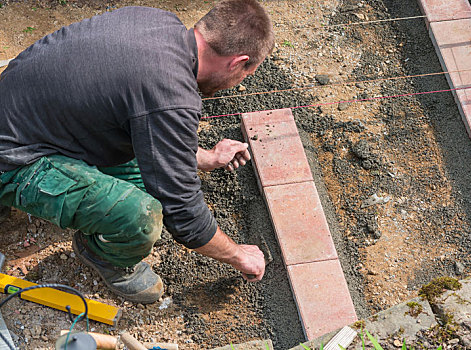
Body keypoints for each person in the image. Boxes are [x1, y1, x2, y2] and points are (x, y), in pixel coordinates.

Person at [0, 0, 274, 304]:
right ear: (238, 62)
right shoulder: (170, 94)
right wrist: (239, 255)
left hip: (22, 111)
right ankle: (103, 255)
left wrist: (205, 158)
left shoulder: (153, 20)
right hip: (13, 158)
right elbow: (183, 215)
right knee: (139, 216)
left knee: (144, 169)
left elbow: (148, 120)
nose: (236, 84)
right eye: (244, 75)